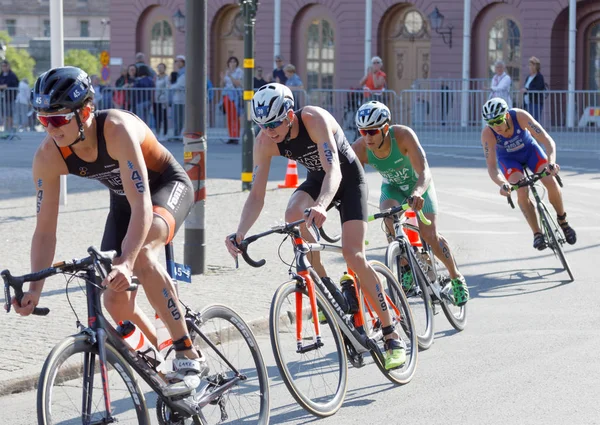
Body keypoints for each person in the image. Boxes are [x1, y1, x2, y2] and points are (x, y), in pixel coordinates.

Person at [15, 66, 206, 396]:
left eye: (58, 119)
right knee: (114, 301)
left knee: (142, 257)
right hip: (124, 202)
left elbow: (143, 204)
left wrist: (126, 262)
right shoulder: (48, 155)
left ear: (85, 111)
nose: (50, 128)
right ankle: (162, 362)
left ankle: (188, 353)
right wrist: (35, 286)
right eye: (42, 119)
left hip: (164, 189)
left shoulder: (116, 130)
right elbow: (45, 231)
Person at [224, 83, 407, 370]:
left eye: (273, 123)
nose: (269, 130)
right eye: (262, 124)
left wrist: (322, 205)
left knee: (353, 255)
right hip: (317, 181)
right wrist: (241, 232)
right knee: (292, 213)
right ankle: (324, 284)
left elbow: (333, 171)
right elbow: (257, 194)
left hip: (347, 182)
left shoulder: (314, 119)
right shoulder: (264, 141)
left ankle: (391, 333)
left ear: (289, 114)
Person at [351, 101, 469, 306]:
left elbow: (425, 172)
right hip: (393, 188)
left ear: (385, 129)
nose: (367, 137)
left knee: (428, 233)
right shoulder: (360, 148)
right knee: (388, 218)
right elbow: (355, 184)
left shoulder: (403, 136)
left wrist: (417, 193)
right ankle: (407, 263)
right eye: (363, 131)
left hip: (419, 186)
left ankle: (456, 276)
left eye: (372, 131)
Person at [480, 97, 576, 250]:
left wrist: (551, 162)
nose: (495, 126)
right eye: (491, 123)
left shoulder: (520, 116)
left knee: (550, 181)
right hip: (509, 160)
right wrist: (502, 184)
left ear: (506, 115)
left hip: (530, 152)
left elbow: (547, 140)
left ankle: (563, 221)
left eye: (498, 121)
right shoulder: (488, 134)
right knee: (521, 190)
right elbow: (491, 167)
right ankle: (537, 233)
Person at [220, 56, 243, 144]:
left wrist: (230, 76)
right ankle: (231, 136)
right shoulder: (226, 72)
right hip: (227, 94)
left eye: (234, 62)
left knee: (235, 116)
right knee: (229, 117)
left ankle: (236, 136)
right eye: (230, 62)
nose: (232, 64)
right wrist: (222, 78)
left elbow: (238, 83)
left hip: (235, 95)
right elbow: (222, 85)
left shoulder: (239, 72)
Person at [520, 56, 546, 122]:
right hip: (527, 102)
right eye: (530, 65)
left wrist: (527, 90)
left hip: (535, 103)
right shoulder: (528, 77)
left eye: (533, 65)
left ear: (537, 66)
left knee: (534, 122)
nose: (531, 67)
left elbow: (539, 88)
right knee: (527, 121)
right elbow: (526, 87)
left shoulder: (539, 77)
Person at [0, 59, 19, 132]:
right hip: (3, 98)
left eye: (5, 66)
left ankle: (10, 130)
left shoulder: (12, 75)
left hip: (10, 98)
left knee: (10, 114)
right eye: (2, 66)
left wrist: (3, 86)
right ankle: (6, 129)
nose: (3, 67)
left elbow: (9, 85)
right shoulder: (1, 75)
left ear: (8, 66)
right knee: (4, 114)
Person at [171, 55, 186, 141]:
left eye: (178, 61)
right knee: (176, 118)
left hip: (181, 99)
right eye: (176, 61)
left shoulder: (184, 73)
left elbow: (179, 85)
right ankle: (176, 134)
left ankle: (177, 135)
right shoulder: (179, 72)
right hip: (177, 99)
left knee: (179, 118)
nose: (177, 63)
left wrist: (170, 86)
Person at [154, 63, 170, 140]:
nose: (160, 69)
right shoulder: (156, 77)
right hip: (156, 100)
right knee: (157, 117)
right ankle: (157, 132)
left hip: (163, 100)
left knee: (164, 117)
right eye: (159, 67)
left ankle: (165, 133)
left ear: (164, 68)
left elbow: (167, 88)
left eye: (161, 67)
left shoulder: (166, 78)